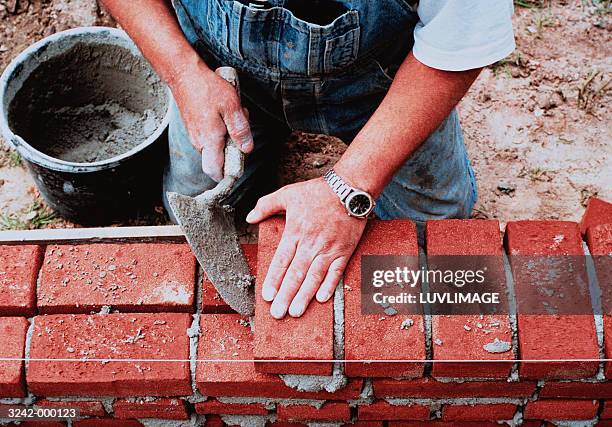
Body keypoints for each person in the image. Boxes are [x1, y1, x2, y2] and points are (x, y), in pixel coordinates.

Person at [101, 0, 515, 320]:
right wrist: (184, 73)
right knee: (193, 194)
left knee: (436, 226)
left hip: (378, 83)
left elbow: (459, 42)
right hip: (221, 72)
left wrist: (349, 188)